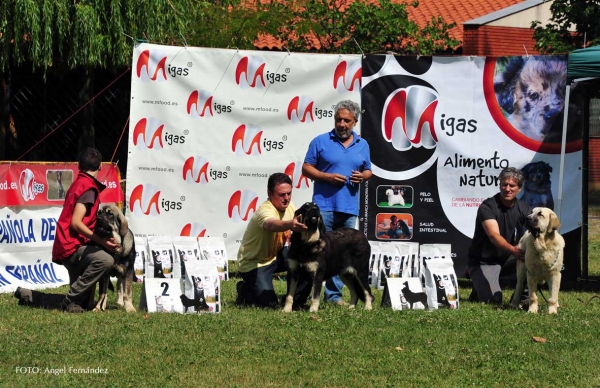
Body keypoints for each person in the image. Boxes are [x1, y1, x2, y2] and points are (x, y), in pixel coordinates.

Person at [14, 147, 117, 312]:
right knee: (105, 260)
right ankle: (69, 300)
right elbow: (76, 222)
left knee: (82, 305)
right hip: (73, 248)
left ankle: (29, 296)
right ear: (100, 167)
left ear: (78, 165)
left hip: (67, 246)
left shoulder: (79, 183)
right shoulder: (89, 188)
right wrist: (101, 241)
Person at [302, 99, 372, 305]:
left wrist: (364, 176)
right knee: (318, 252)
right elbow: (306, 169)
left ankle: (333, 297)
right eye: (338, 119)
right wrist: (327, 177)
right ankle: (307, 294)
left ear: (354, 122)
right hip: (323, 208)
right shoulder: (320, 141)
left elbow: (367, 169)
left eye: (346, 121)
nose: (341, 124)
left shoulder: (363, 144)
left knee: (342, 255)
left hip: (349, 208)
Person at [236, 172, 307, 309]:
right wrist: (290, 224)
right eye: (281, 195)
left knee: (305, 260)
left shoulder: (290, 206)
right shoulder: (265, 210)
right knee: (270, 305)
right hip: (254, 264)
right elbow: (270, 224)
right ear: (269, 193)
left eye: (289, 193)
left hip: (276, 256)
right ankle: (244, 289)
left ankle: (296, 300)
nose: (286, 198)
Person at [467, 167, 531, 304]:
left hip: (507, 259)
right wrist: (514, 250)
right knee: (493, 301)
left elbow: (535, 229)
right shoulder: (487, 207)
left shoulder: (524, 208)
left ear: (519, 188)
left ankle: (523, 295)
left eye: (512, 185)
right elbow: (493, 235)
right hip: (484, 261)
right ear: (500, 185)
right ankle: (478, 289)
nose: (507, 188)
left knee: (534, 257)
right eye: (504, 184)